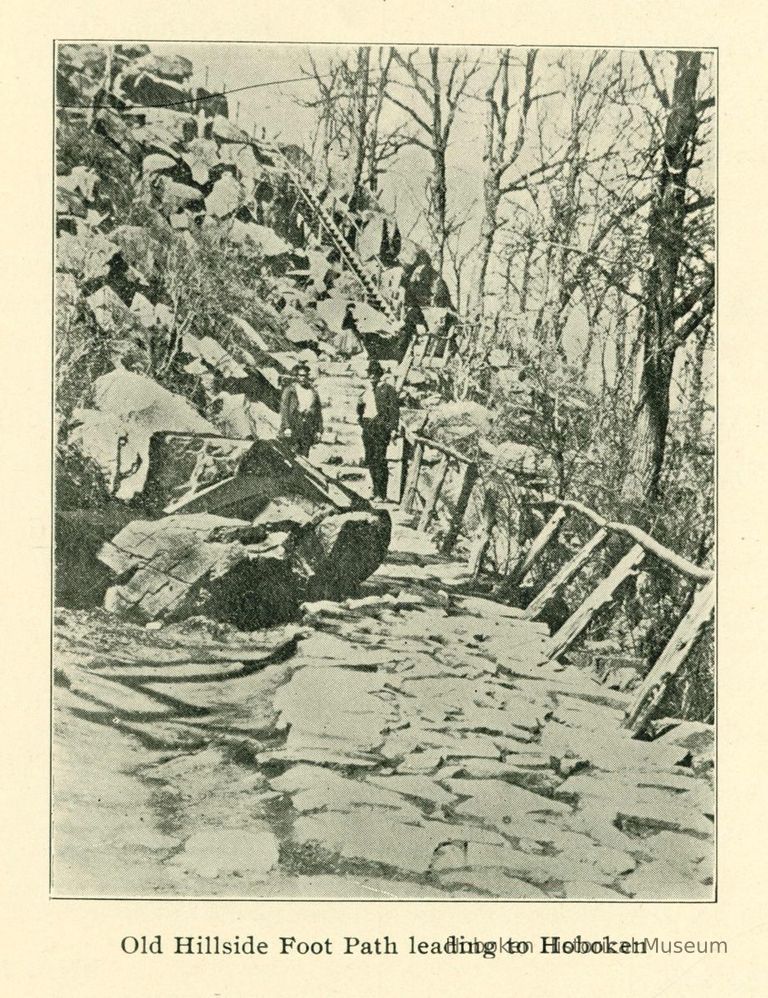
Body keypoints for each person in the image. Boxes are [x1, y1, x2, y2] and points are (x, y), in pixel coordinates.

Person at [357, 360, 400, 501]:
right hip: (368, 428)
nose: (372, 377)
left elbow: (394, 410)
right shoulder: (366, 392)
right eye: (370, 374)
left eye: (375, 374)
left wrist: (392, 428)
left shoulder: (388, 389)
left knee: (380, 459)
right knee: (370, 460)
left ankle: (382, 493)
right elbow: (360, 411)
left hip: (381, 429)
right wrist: (360, 408)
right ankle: (375, 491)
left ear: (380, 375)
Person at [279, 362, 323, 457]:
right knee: (291, 453)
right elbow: (284, 409)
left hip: (308, 424)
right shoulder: (290, 390)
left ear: (308, 376)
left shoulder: (313, 392)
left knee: (304, 453)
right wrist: (286, 427)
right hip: (294, 423)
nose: (302, 378)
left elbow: (318, 412)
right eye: (300, 375)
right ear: (297, 376)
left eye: (304, 376)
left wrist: (319, 430)